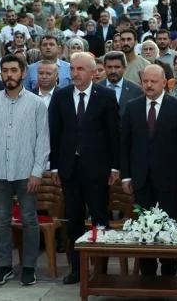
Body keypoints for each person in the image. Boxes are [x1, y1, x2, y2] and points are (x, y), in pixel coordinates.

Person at [0, 54, 50, 286]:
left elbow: (42, 140)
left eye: (14, 70)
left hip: (26, 171)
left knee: (29, 220)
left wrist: (38, 171)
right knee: (2, 220)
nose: (9, 75)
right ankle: (4, 266)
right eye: (5, 70)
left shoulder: (37, 103)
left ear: (23, 73)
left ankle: (29, 267)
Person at [49, 52, 120, 284]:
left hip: (98, 169)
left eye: (80, 69)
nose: (75, 74)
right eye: (72, 69)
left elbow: (114, 134)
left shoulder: (106, 96)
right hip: (69, 169)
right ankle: (77, 270)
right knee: (74, 220)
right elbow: (55, 134)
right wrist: (55, 167)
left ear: (92, 72)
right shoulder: (60, 97)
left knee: (100, 219)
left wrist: (115, 167)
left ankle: (101, 269)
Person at [120, 65, 177, 276]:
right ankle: (148, 273)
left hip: (169, 181)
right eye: (145, 81)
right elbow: (125, 144)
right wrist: (126, 175)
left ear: (164, 82)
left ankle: (169, 273)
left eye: (154, 81)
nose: (149, 85)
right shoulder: (133, 107)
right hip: (141, 180)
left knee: (167, 227)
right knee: (143, 227)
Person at [99, 51, 143, 117]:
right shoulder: (96, 89)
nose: (113, 71)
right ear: (104, 67)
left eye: (117, 67)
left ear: (124, 68)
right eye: (109, 67)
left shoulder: (136, 90)